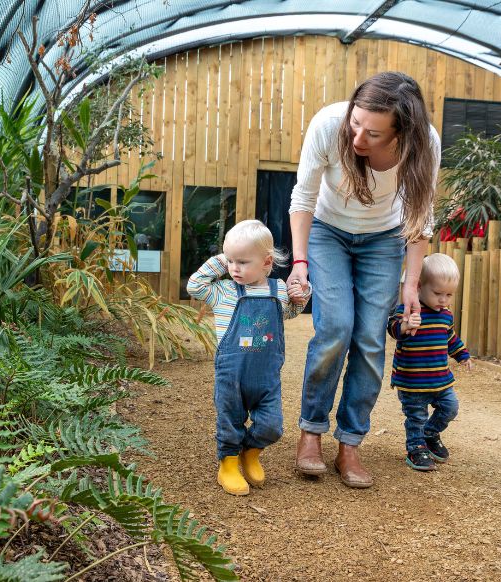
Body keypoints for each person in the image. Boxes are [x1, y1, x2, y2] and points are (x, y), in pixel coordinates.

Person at [287, 72, 440, 488]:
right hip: (327, 231)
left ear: (401, 131)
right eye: (355, 124)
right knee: (335, 327)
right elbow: (302, 198)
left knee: (371, 339)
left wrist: (411, 285)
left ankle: (350, 444)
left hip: (384, 240)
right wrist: (299, 261)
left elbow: (420, 215)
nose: (357, 139)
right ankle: (311, 433)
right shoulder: (327, 125)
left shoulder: (425, 142)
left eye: (373, 133)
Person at [187, 219, 310, 496]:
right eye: (230, 261)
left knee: (272, 426)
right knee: (229, 419)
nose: (234, 268)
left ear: (267, 263)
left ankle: (250, 451)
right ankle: (228, 462)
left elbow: (288, 314)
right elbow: (195, 286)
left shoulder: (277, 289)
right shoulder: (223, 291)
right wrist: (225, 256)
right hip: (231, 374)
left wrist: (298, 298)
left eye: (242, 262)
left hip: (267, 375)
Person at [387, 253, 471, 471]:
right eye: (438, 293)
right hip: (412, 380)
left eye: (449, 294)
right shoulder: (409, 310)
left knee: (450, 408)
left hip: (440, 379)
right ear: (419, 287)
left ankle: (430, 433)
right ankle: (416, 448)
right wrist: (405, 326)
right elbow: (393, 329)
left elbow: (450, 337)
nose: (443, 300)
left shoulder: (445, 315)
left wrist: (462, 355)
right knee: (416, 416)